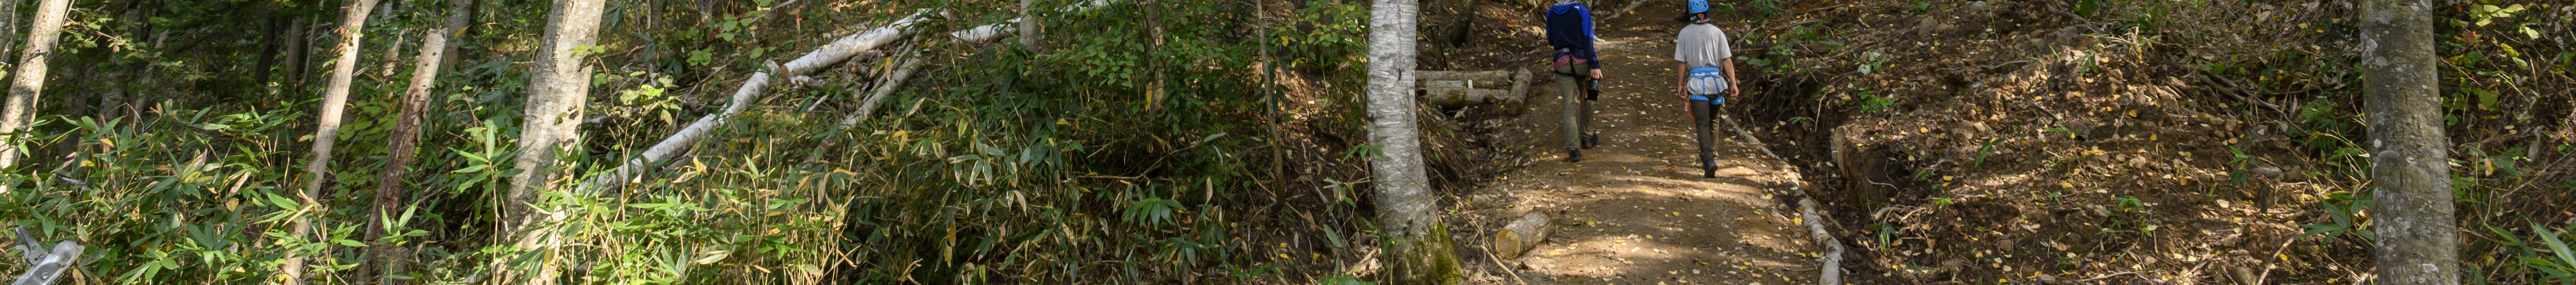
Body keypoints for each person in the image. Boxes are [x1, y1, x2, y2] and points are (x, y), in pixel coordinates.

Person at [1673, 0, 1739, 178]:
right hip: (1716, 85)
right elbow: (1727, 61)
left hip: (1697, 86)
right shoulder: (1718, 33)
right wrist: (1733, 84)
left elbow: (1682, 62)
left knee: (1702, 123)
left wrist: (1680, 85)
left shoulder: (1684, 34)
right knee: (1715, 121)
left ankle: (1708, 160)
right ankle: (1714, 155)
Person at [1547, 0, 1604, 162]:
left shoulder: (1551, 12)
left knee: (1568, 106)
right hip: (1582, 62)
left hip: (1561, 62)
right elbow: (1588, 40)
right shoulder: (1582, 11)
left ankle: (1573, 149)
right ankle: (1587, 137)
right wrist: (1595, 65)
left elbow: (1551, 40)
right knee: (1587, 97)